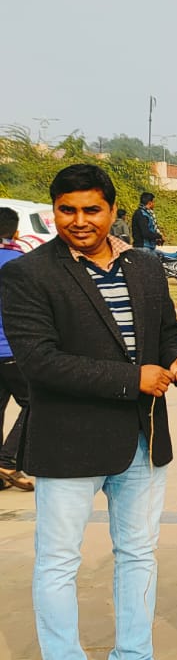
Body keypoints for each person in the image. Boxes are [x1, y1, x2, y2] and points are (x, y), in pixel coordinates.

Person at [0, 163, 177, 660]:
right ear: (54, 212)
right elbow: (40, 361)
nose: (80, 220)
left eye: (92, 209)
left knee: (138, 554)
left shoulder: (144, 266)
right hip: (68, 441)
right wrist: (133, 378)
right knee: (58, 562)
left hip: (141, 438)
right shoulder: (28, 274)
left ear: (113, 211)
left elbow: (165, 331)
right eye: (67, 210)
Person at [0, 207, 34, 491]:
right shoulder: (22, 263)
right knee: (36, 403)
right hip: (13, 349)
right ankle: (8, 460)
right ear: (16, 232)